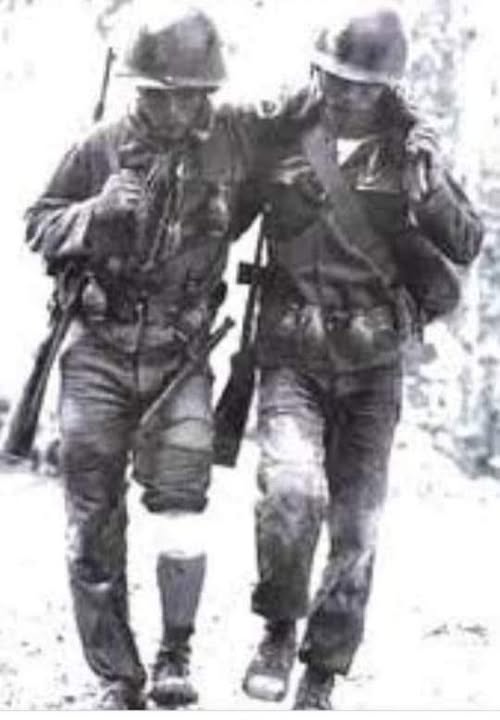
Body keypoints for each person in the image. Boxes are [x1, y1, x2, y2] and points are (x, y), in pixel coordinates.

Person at [240, 3, 484, 710]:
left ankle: (322, 667)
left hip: (374, 360)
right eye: (335, 77)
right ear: (315, 70)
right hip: (290, 350)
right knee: (291, 490)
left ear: (386, 86)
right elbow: (222, 218)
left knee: (356, 524)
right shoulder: (280, 133)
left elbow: (467, 241)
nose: (346, 93)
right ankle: (278, 628)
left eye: (363, 84)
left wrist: (428, 190)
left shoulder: (411, 148)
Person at [25, 5, 258, 710]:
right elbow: (39, 224)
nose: (177, 109)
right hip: (96, 350)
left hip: (181, 354)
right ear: (138, 88)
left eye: (192, 95)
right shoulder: (98, 146)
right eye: (161, 95)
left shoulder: (232, 144)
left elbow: (294, 133)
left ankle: (174, 655)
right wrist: (93, 213)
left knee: (183, 502)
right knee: (92, 520)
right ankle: (116, 676)